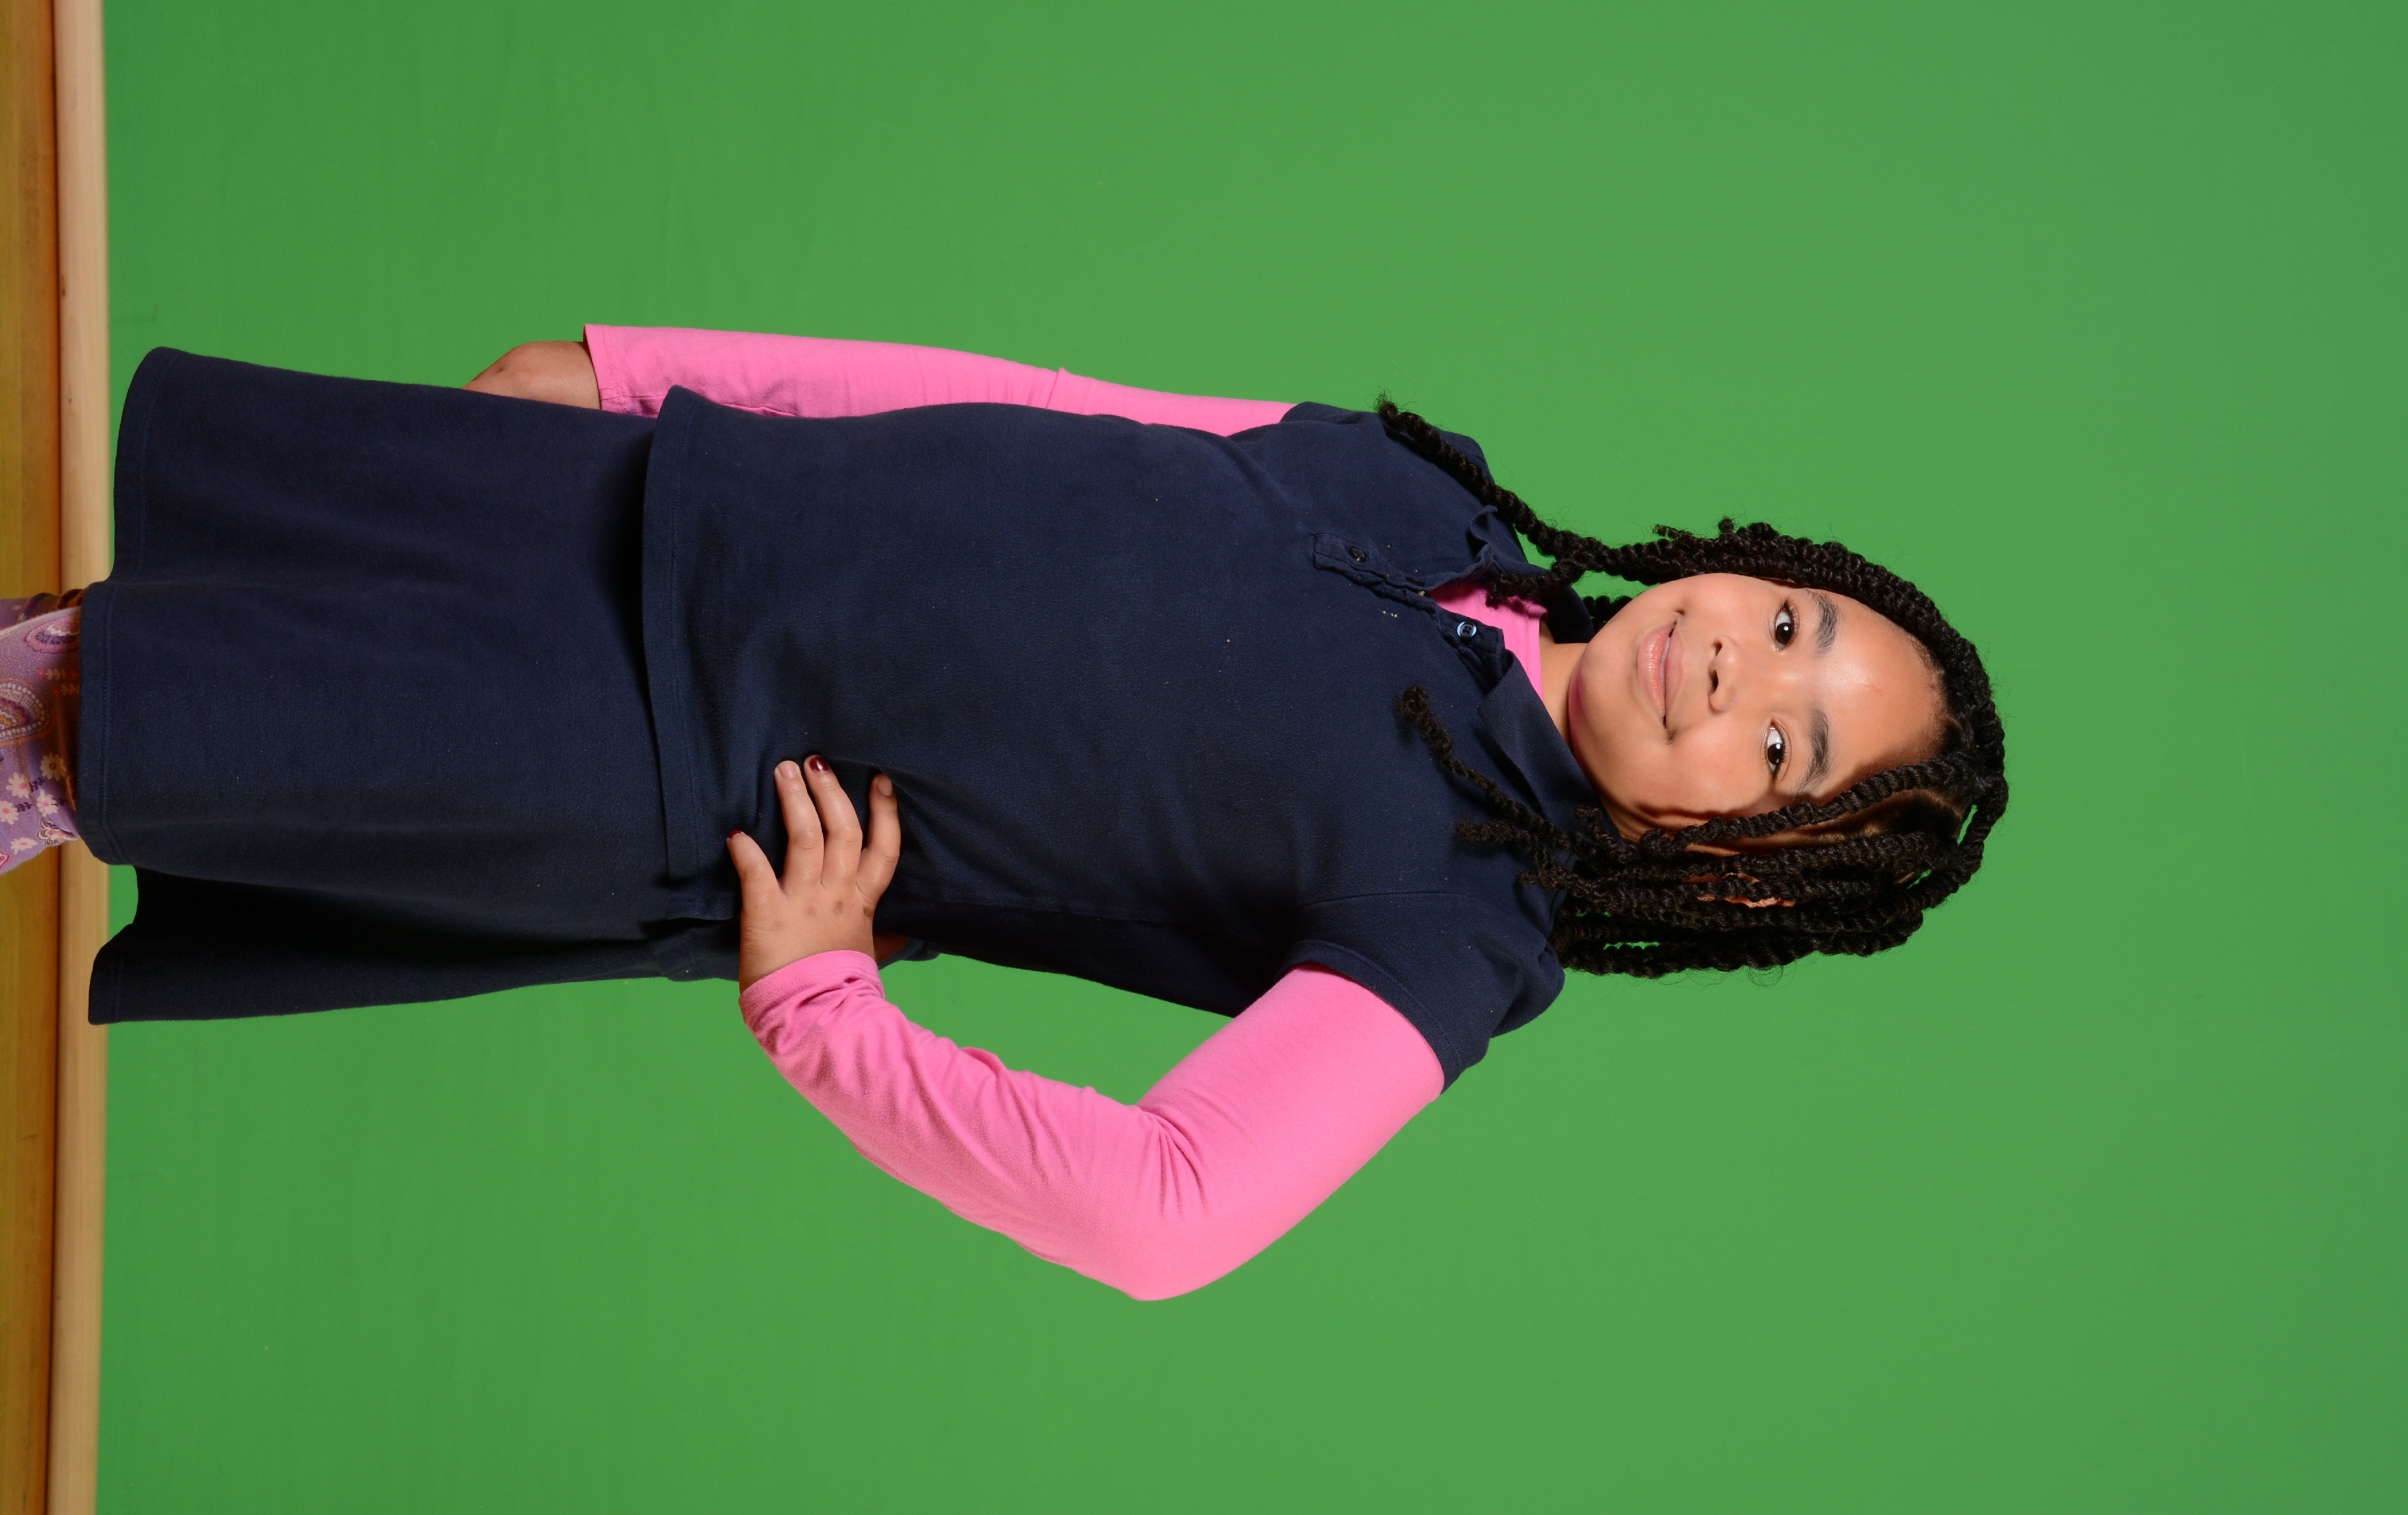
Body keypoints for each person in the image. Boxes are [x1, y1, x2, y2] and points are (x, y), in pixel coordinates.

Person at [0, 327, 2007, 1298]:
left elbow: (1168, 1214)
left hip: (647, 749)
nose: (1736, 673)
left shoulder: (1457, 927)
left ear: (1755, 872)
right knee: (96, 645)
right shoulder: (1423, 495)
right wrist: (642, 370)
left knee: (91, 720)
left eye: (1785, 753)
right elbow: (1020, 407)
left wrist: (825, 1009)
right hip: (639, 510)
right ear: (1758, 566)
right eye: (1791, 625)